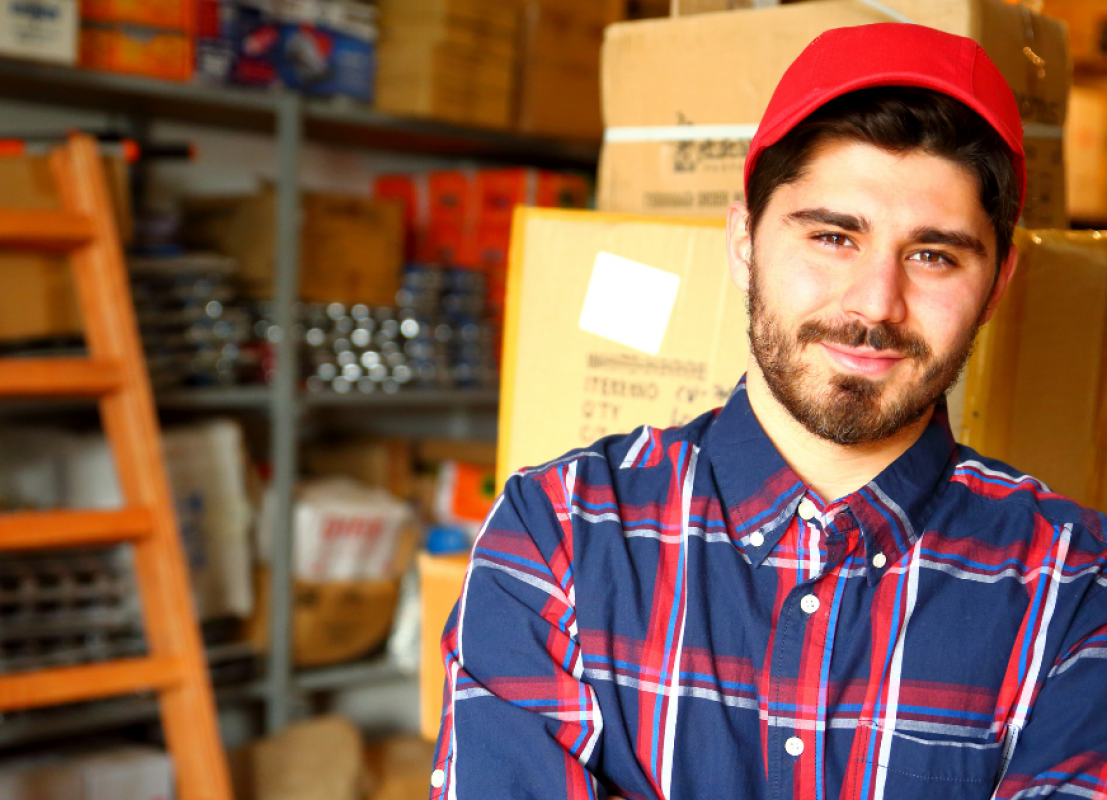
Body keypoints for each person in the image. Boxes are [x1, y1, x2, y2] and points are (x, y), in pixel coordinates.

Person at [429, 22, 1107, 800]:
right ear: (744, 241)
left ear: (998, 283)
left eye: (933, 255)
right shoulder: (560, 535)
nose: (875, 305)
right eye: (832, 236)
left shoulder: (1076, 586)